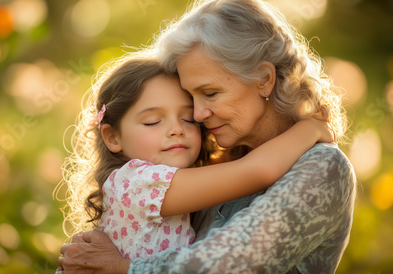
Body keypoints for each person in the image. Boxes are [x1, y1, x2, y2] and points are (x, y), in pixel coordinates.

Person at [58, 0, 356, 273]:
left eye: (210, 93)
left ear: (264, 79)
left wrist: (123, 267)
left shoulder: (322, 166)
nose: (198, 116)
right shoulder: (209, 158)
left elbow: (226, 265)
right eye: (192, 99)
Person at [58, 54, 332, 264]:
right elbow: (257, 171)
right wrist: (309, 128)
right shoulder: (137, 183)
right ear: (112, 137)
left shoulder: (169, 179)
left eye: (188, 118)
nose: (177, 129)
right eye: (153, 121)